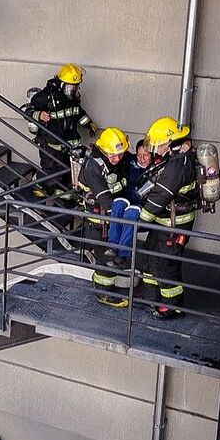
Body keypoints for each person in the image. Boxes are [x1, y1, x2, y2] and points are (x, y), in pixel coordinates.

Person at [137, 116, 200, 320]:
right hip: (163, 222)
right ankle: (151, 298)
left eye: (160, 144)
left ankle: (172, 306)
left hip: (173, 225)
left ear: (171, 143)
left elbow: (160, 195)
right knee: (150, 259)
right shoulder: (174, 159)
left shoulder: (178, 165)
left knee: (165, 265)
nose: (156, 149)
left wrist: (140, 221)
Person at [78, 128, 133, 308]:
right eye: (113, 155)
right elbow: (105, 200)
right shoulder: (93, 166)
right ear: (103, 150)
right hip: (98, 219)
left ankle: (104, 286)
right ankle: (104, 295)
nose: (117, 158)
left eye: (120, 154)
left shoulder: (115, 160)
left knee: (111, 253)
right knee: (105, 256)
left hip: (109, 218)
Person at [24, 64, 96, 191]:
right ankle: (36, 186)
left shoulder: (72, 98)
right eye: (70, 87)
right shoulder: (46, 96)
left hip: (68, 144)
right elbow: (26, 110)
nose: (72, 90)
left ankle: (64, 196)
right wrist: (39, 114)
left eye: (75, 87)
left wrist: (88, 124)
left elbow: (77, 112)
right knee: (50, 171)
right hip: (50, 144)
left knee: (67, 173)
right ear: (61, 84)